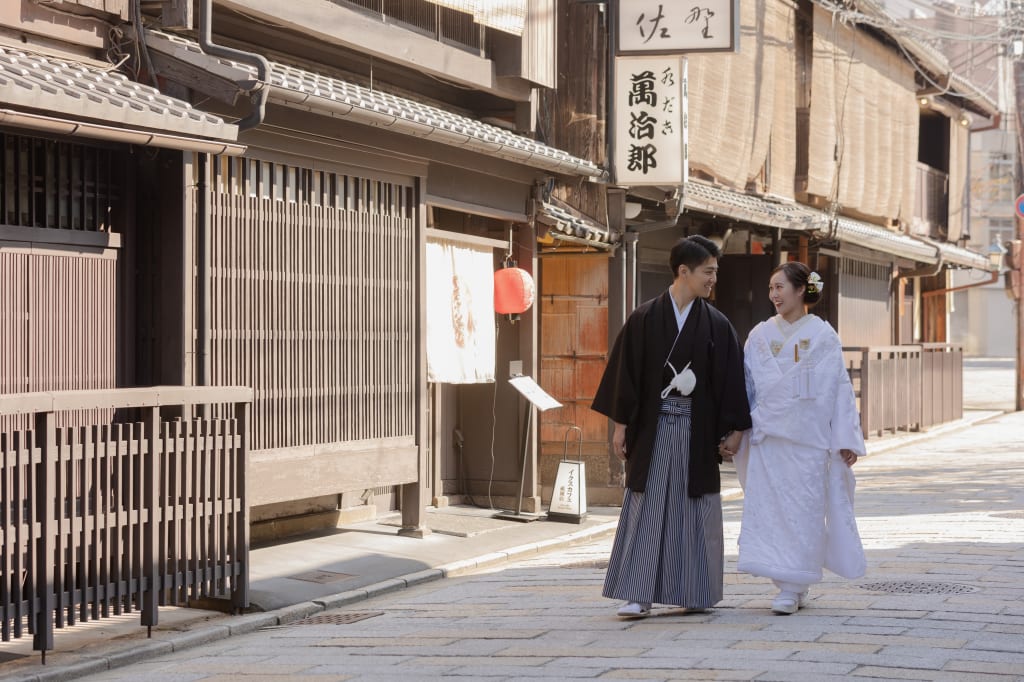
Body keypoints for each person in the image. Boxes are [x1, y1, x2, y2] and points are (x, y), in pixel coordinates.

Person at [593, 235, 752, 618]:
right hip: (652, 428)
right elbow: (625, 376)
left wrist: (735, 429)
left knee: (694, 507)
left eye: (714, 272)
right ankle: (638, 593)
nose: (714, 279)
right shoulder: (644, 318)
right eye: (708, 272)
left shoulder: (716, 324)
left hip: (696, 432)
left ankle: (694, 590)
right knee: (646, 506)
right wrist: (620, 427)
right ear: (684, 271)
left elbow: (731, 380)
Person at [721, 261, 867, 615]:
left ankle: (795, 582)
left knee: (803, 510)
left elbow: (838, 389)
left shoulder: (823, 335)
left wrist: (845, 437)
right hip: (769, 437)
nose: (774, 295)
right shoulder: (759, 335)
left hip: (807, 439)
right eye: (771, 288)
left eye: (780, 287)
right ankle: (786, 582)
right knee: (770, 510)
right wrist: (738, 429)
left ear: (801, 290)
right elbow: (747, 388)